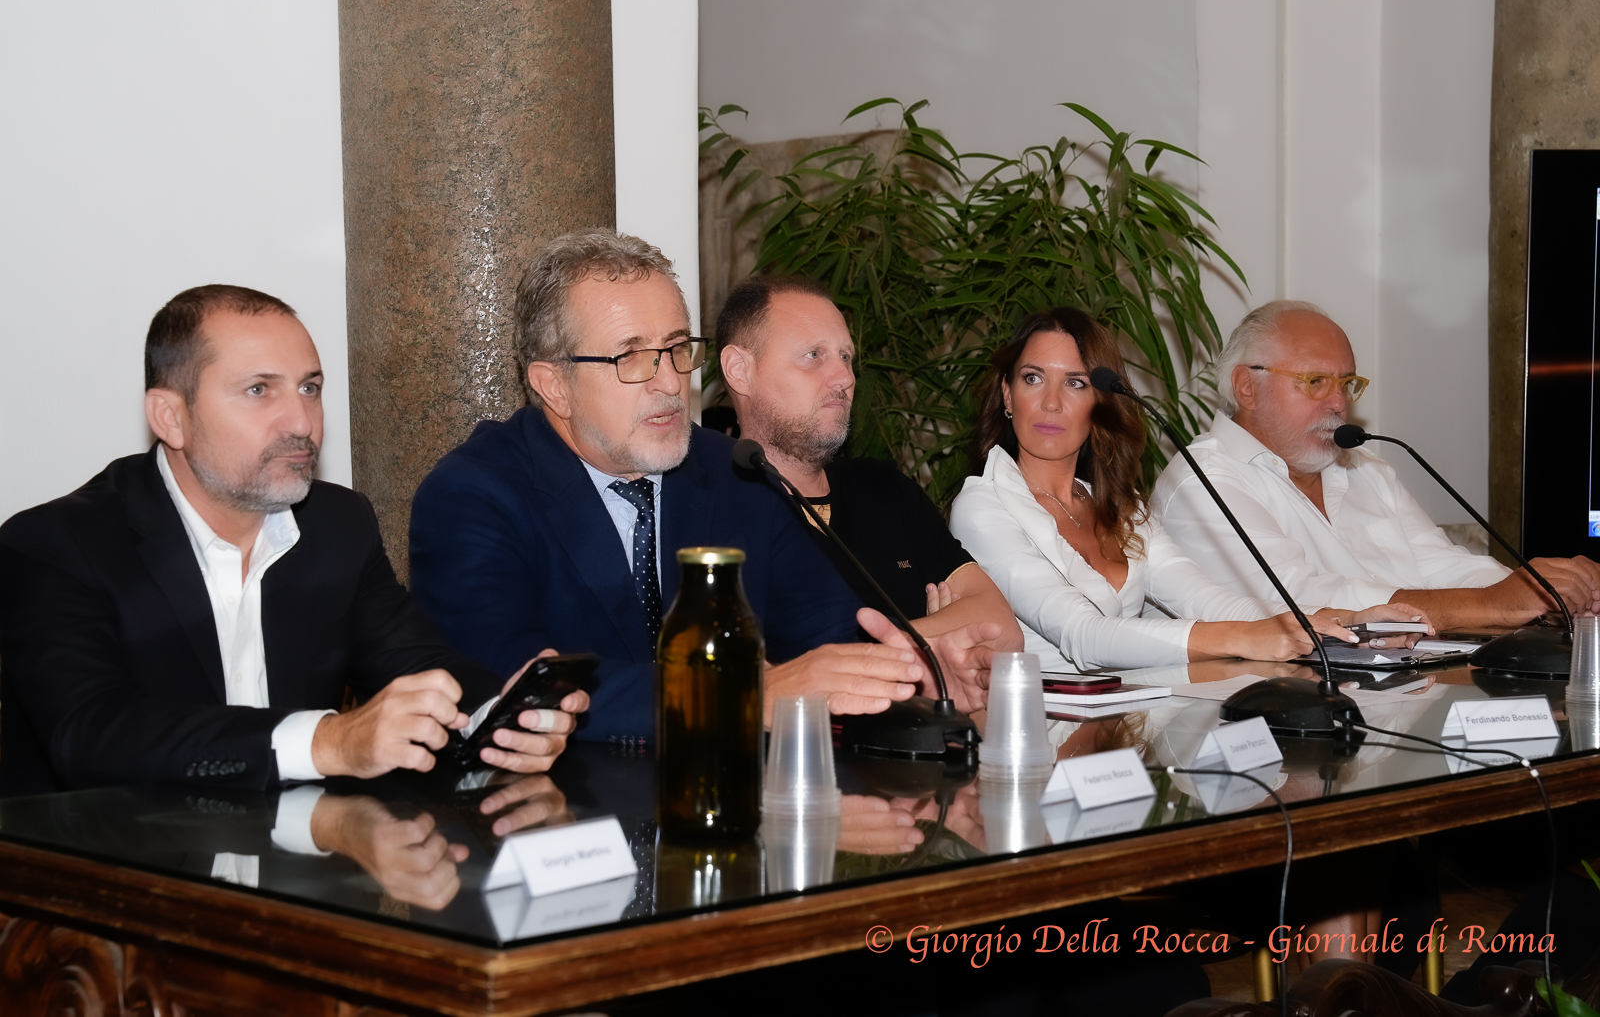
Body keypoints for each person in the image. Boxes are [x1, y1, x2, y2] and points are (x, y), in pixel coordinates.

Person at [409, 231, 999, 743]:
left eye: (675, 349)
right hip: (562, 819)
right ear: (553, 385)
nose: (669, 382)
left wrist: (905, 672)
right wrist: (746, 695)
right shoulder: (472, 496)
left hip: (733, 806)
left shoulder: (732, 470)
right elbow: (519, 689)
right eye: (630, 357)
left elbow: (827, 637)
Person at [0, 285, 587, 798]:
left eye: (310, 388)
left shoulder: (337, 524)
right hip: (102, 868)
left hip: (297, 859)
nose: (302, 423)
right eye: (259, 390)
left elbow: (416, 663)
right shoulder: (55, 544)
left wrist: (500, 716)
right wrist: (328, 742)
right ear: (170, 417)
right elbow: (91, 734)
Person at [948, 307, 1414, 675]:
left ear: (1100, 401)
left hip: (1125, 732)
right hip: (1042, 734)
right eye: (1032, 379)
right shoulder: (983, 506)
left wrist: (1340, 621)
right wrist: (1246, 638)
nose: (1051, 403)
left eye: (1075, 383)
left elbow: (1207, 600)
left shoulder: (1122, 507)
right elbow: (1084, 636)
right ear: (1007, 395)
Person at [1150, 300, 1600, 629]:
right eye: (1315, 381)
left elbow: (1441, 565)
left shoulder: (1364, 467)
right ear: (1247, 387)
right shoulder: (1201, 482)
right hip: (1274, 716)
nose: (1338, 402)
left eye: (1346, 383)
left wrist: (1543, 594)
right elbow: (1298, 600)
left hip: (1397, 697)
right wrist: (1495, 605)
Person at [714, 272, 1024, 674]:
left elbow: (1001, 631)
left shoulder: (886, 489)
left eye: (846, 357)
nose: (846, 378)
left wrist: (841, 658)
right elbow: (743, 678)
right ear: (740, 370)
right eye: (814, 355)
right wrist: (933, 640)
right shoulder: (713, 512)